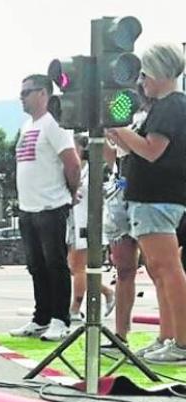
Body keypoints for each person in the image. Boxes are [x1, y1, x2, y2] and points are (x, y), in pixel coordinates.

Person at [106, 44, 186, 362]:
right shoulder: (165, 106)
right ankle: (168, 336)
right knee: (158, 269)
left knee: (167, 268)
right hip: (151, 198)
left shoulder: (170, 106)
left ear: (160, 72)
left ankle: (181, 342)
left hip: (159, 198)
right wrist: (118, 132)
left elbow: (152, 150)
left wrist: (120, 129)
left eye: (145, 74)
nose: (141, 82)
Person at [10, 73, 81, 341]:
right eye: (21, 93)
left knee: (55, 264)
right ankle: (41, 318)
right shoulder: (27, 125)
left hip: (51, 206)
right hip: (28, 208)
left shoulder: (54, 125)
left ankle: (60, 319)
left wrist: (70, 192)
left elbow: (72, 163)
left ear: (43, 93)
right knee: (36, 266)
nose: (22, 98)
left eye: (26, 92)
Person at [102, 88, 151, 355]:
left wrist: (119, 132)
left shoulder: (156, 114)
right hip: (121, 188)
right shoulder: (121, 111)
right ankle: (121, 334)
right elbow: (114, 156)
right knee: (123, 268)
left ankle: (173, 335)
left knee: (159, 268)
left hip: (149, 192)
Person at [65, 137, 114, 320]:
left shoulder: (92, 172)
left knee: (79, 266)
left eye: (75, 147)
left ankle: (75, 309)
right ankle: (107, 291)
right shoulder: (75, 172)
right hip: (73, 221)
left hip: (86, 223)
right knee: (75, 266)